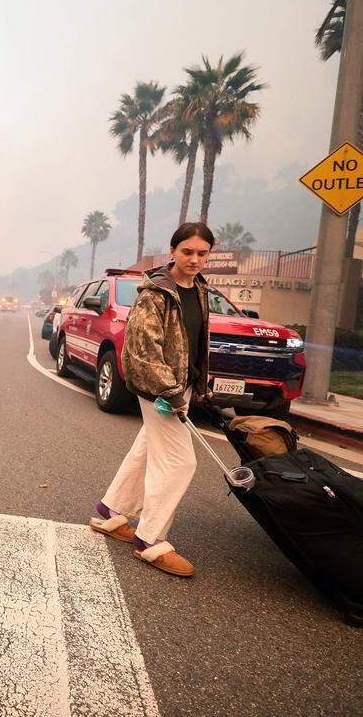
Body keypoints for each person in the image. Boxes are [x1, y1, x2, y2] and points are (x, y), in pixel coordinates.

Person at [89, 222, 214, 577]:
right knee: (179, 461)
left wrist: (198, 382)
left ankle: (112, 511)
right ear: (173, 251)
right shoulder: (155, 293)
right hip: (160, 389)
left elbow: (193, 340)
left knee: (146, 449)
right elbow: (143, 350)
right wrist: (171, 392)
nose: (194, 259)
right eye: (187, 252)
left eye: (202, 253)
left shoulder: (198, 288)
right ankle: (150, 538)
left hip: (181, 384)